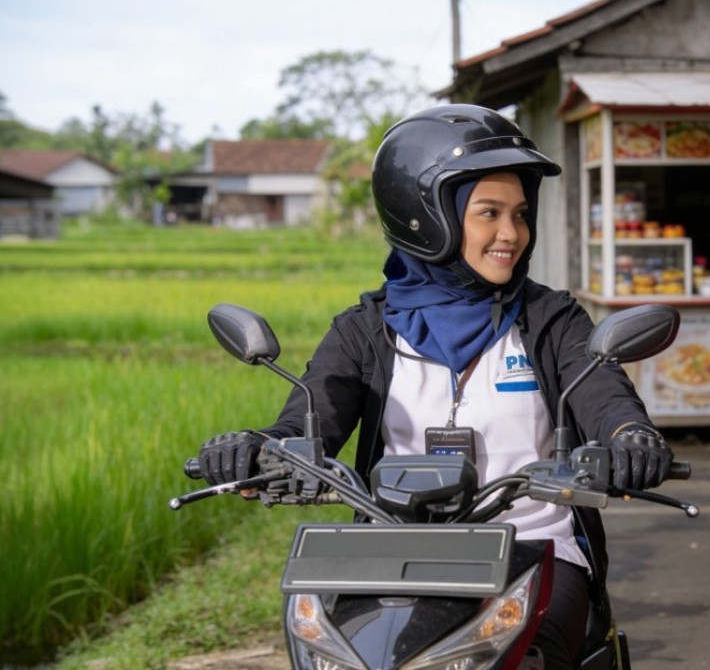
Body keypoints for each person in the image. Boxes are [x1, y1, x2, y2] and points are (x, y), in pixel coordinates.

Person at [196, 104, 675, 669]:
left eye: (520, 214)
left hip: (534, 547)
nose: (511, 234)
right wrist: (256, 451)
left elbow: (604, 397)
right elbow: (308, 420)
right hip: (389, 559)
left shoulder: (552, 320)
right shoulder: (364, 331)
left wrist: (630, 439)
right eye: (488, 213)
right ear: (426, 217)